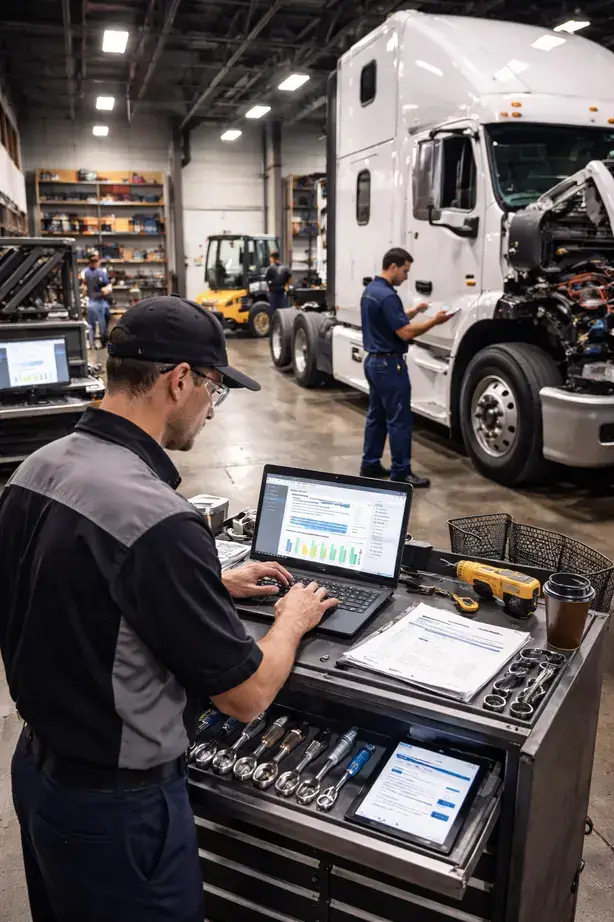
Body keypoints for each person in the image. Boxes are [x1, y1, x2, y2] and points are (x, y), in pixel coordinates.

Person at [0, 295, 339, 922]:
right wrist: (291, 619)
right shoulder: (161, 523)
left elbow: (68, 587)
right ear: (180, 380)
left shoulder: (35, 470)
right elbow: (248, 696)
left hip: (40, 778)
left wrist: (209, 581)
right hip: (119, 816)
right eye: (214, 390)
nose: (212, 410)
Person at [360, 247, 453, 488]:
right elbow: (404, 331)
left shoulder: (372, 290)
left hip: (373, 362)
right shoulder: (389, 296)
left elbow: (391, 320)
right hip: (390, 365)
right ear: (393, 267)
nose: (406, 276)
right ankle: (401, 471)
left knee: (376, 416)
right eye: (405, 270)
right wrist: (434, 320)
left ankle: (370, 464)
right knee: (399, 419)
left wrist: (416, 311)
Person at [81, 252, 112, 348]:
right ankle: (102, 343)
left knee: (93, 324)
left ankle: (92, 343)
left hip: (96, 301)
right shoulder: (98, 272)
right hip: (96, 301)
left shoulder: (85, 272)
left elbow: (107, 285)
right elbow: (106, 286)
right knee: (100, 325)